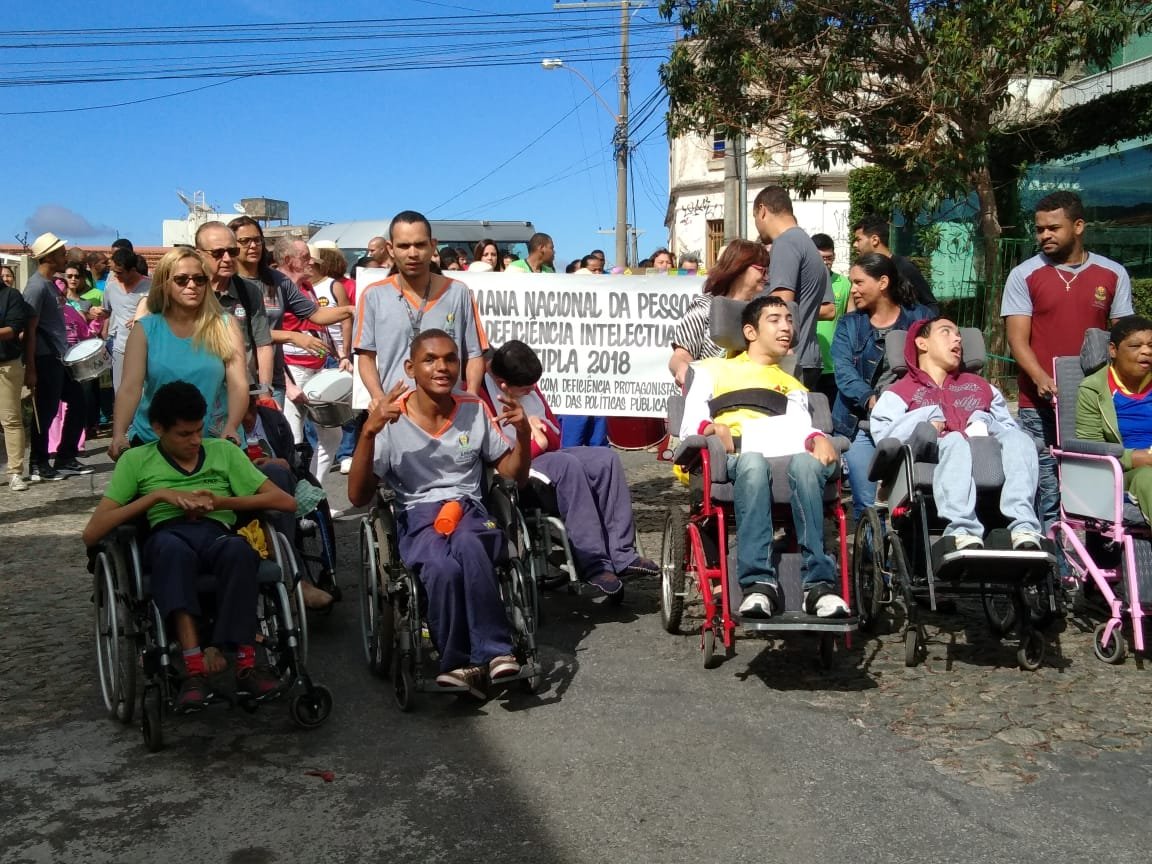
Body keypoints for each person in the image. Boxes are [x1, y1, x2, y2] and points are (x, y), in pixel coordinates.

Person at [82, 381, 296, 712]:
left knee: (240, 551)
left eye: (198, 431)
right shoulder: (137, 460)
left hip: (217, 530)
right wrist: (156, 496)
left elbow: (284, 501)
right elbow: (92, 532)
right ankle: (194, 669)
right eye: (184, 434)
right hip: (167, 534)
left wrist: (221, 500)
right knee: (172, 552)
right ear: (158, 429)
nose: (195, 441)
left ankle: (246, 664)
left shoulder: (223, 452)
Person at [347, 329, 530, 695]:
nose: (442, 367)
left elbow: (512, 477)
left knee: (470, 546)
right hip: (418, 512)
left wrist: (522, 434)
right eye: (430, 360)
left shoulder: (474, 409)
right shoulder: (390, 418)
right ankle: (458, 661)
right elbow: (357, 496)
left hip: (469, 509)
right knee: (441, 567)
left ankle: (495, 653)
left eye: (450, 359)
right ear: (410, 367)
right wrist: (368, 432)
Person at [679, 294, 850, 619]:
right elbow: (690, 424)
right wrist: (712, 428)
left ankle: (819, 586)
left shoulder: (792, 384)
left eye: (789, 320)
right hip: (737, 457)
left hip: (789, 455)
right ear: (750, 331)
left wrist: (818, 438)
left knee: (806, 463)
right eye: (775, 320)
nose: (786, 327)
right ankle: (758, 583)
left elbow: (802, 428)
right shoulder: (711, 371)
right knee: (754, 462)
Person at [482, 340, 659, 595]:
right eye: (527, 387)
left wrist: (542, 437)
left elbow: (555, 435)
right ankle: (595, 564)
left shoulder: (527, 386)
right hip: (517, 467)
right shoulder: (484, 394)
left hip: (546, 454)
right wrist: (535, 439)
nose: (533, 390)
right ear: (504, 386)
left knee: (605, 458)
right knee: (567, 464)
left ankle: (623, 554)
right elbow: (499, 454)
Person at [1002, 190, 1132, 536]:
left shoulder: (1112, 274)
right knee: (1048, 488)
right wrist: (1041, 378)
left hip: (1093, 403)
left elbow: (1123, 340)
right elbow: (1017, 338)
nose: (1044, 235)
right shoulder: (1023, 275)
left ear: (1078, 226)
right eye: (1039, 228)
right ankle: (1055, 573)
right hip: (1038, 403)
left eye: (1053, 228)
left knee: (1095, 483)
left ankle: (1095, 564)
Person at [869, 318, 1045, 551]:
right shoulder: (899, 392)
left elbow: (1008, 428)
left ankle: (1024, 527)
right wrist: (925, 419)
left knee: (1019, 438)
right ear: (922, 343)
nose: (958, 339)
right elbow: (885, 434)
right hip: (934, 454)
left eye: (959, 334)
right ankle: (963, 529)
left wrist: (987, 422)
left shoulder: (983, 388)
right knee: (954, 441)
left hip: (987, 455)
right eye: (946, 332)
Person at [110, 247, 249, 459]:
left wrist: (231, 426)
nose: (192, 285)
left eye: (199, 279)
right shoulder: (146, 329)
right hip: (154, 441)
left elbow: (238, 384)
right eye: (182, 280)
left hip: (215, 439)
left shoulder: (225, 325)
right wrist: (118, 434)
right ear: (165, 284)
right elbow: (130, 387)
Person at [353, 210, 488, 409]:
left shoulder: (458, 292)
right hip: (396, 412)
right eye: (404, 246)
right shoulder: (373, 296)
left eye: (420, 244)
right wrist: (378, 396)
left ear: (433, 245)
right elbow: (366, 356)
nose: (413, 253)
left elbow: (474, 353)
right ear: (391, 248)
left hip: (450, 414)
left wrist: (471, 396)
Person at [832, 253, 933, 517]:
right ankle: (871, 558)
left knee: (909, 501)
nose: (852, 289)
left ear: (883, 282)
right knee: (867, 507)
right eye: (852, 283)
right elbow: (844, 372)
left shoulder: (919, 320)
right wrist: (870, 399)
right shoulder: (849, 325)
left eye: (859, 282)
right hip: (860, 425)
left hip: (909, 422)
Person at [752, 186, 836, 389]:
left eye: (755, 216)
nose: (756, 224)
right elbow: (824, 306)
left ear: (762, 210)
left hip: (789, 359)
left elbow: (781, 302)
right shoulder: (809, 247)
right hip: (809, 358)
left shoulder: (785, 243)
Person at [23, 232, 89, 481]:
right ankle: (39, 462)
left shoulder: (50, 284)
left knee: (78, 402)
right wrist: (31, 367)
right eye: (61, 252)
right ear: (49, 256)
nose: (65, 256)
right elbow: (29, 329)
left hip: (58, 356)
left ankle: (65, 456)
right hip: (45, 357)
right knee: (46, 411)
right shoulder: (36, 287)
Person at [1075, 315, 1152, 520]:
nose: (1147, 351)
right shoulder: (1094, 388)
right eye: (1136, 345)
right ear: (1113, 350)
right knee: (1148, 478)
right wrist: (1135, 458)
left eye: (1151, 345)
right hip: (1123, 475)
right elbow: (1090, 446)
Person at [668, 239, 769, 388]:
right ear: (740, 268)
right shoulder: (704, 306)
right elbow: (680, 355)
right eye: (762, 270)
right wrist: (683, 369)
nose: (766, 277)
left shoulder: (764, 311)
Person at [195, 221, 274, 393]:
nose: (227, 259)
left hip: (243, 391)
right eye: (217, 253)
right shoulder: (189, 292)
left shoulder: (249, 291)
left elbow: (263, 345)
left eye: (232, 252)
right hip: (198, 391)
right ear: (199, 254)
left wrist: (265, 392)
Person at [851, 215, 938, 311]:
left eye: (859, 240)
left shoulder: (904, 267)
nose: (854, 245)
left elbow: (930, 304)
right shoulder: (863, 270)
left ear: (875, 240)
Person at [0, 266, 36, 490]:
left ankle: (15, 472)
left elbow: (13, 330)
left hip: (7, 364)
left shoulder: (10, 295)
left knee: (10, 419)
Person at [102, 248, 152, 392]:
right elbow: (107, 312)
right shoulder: (111, 287)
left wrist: (146, 316)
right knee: (120, 392)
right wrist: (96, 312)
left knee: (144, 394)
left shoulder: (152, 286)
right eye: (113, 271)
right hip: (120, 349)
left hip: (147, 350)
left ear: (132, 270)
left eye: (119, 272)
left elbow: (164, 315)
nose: (115, 276)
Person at [811, 233, 852, 404]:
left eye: (829, 258)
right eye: (821, 258)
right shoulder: (803, 284)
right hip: (809, 362)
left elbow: (850, 319)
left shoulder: (844, 283)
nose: (826, 262)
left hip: (834, 364)